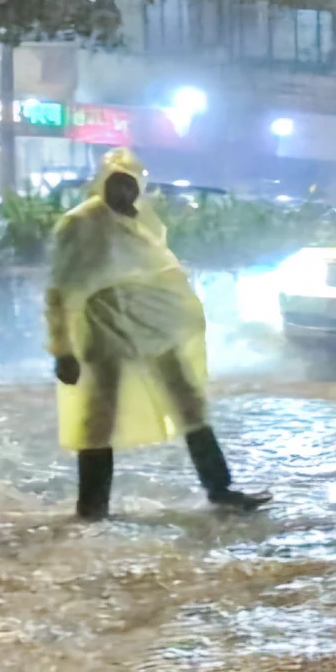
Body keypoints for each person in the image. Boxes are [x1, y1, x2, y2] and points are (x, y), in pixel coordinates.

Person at [47, 149, 270, 521]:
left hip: (154, 326)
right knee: (100, 417)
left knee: (189, 403)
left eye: (130, 185)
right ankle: (92, 508)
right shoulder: (81, 223)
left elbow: (161, 272)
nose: (124, 192)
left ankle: (221, 490)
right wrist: (62, 349)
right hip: (105, 327)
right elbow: (60, 290)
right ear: (102, 183)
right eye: (116, 184)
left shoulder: (144, 222)